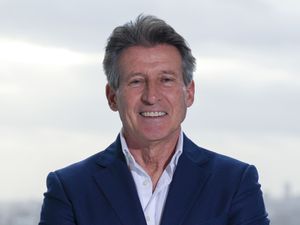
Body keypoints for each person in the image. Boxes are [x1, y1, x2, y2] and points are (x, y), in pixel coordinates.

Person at [39, 15, 270, 225]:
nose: (151, 97)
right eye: (136, 81)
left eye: (166, 80)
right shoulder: (70, 188)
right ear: (112, 97)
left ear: (189, 93)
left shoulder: (235, 183)